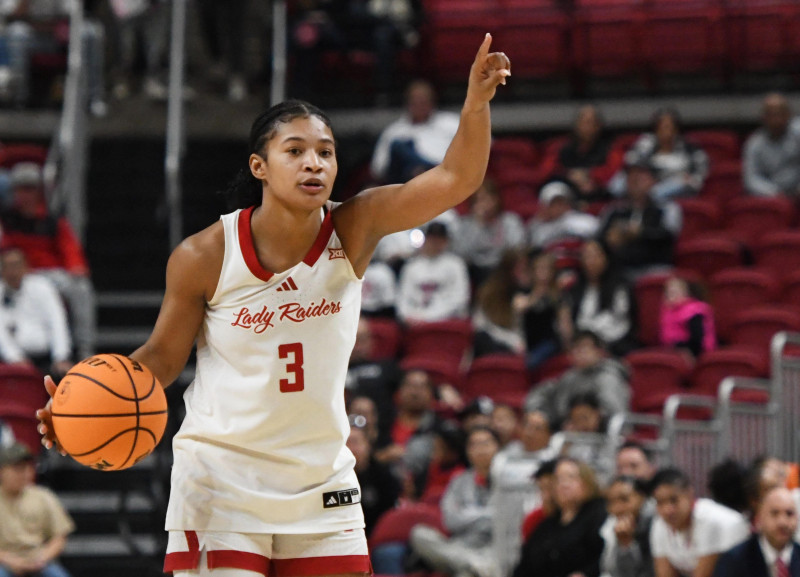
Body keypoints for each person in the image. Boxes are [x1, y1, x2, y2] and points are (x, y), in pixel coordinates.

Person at [37, 35, 511, 577]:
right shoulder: (205, 254)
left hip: (320, 479)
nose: (314, 164)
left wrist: (475, 106)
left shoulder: (355, 226)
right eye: (296, 151)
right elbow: (162, 360)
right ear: (259, 166)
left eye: (326, 152)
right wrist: (83, 409)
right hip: (221, 483)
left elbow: (456, 179)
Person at [0, 162, 96, 361]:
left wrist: (76, 267)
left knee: (81, 289)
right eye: (20, 189)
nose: (25, 195)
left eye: (30, 188)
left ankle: (84, 347)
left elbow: (70, 250)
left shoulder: (52, 221)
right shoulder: (7, 221)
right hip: (17, 274)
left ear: (39, 191)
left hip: (50, 274)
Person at [409, 425, 501, 577]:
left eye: (485, 443)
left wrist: (468, 513)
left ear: (498, 447)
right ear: (467, 451)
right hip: (460, 545)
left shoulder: (508, 481)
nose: (480, 449)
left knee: (464, 575)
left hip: (492, 547)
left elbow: (506, 519)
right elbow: (450, 521)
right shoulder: (458, 481)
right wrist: (487, 514)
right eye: (474, 445)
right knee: (419, 534)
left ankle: (471, 566)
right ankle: (474, 564)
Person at [512, 457, 608, 577]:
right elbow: (524, 566)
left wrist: (586, 573)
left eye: (571, 477)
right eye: (558, 480)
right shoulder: (546, 526)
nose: (564, 484)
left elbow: (606, 557)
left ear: (587, 481)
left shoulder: (601, 514)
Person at [650, 467, 750, 577]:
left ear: (689, 494)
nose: (667, 510)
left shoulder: (709, 519)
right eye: (660, 503)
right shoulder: (659, 524)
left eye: (674, 500)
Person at [524, 330, 630, 429]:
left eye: (584, 348)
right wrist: (539, 413)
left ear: (599, 352)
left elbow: (617, 418)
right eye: (575, 349)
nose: (579, 353)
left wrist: (584, 424)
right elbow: (544, 393)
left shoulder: (608, 378)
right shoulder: (569, 377)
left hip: (600, 438)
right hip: (568, 434)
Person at [0, 442, 74, 577]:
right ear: (2, 471)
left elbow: (60, 536)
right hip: (4, 561)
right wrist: (8, 559)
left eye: (27, 468)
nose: (24, 473)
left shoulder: (43, 496)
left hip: (38, 559)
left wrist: (43, 557)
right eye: (17, 468)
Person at [599, 157, 682, 275]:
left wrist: (640, 233)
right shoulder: (614, 210)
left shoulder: (666, 208)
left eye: (641, 175)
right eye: (631, 176)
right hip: (620, 269)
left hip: (655, 267)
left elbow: (669, 235)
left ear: (653, 181)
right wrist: (609, 238)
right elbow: (600, 238)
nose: (635, 180)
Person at [0, 247, 73, 378]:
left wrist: (61, 356)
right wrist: (15, 359)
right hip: (9, 360)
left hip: (45, 358)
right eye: (7, 266)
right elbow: (1, 333)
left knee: (64, 376)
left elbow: (57, 321)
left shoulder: (42, 287)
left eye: (16, 265)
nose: (12, 271)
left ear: (26, 266)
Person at [370, 79, 460, 183]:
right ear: (407, 103)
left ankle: (428, 170)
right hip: (404, 183)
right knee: (399, 146)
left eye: (423, 102)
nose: (420, 106)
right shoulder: (394, 132)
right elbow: (378, 169)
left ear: (432, 102)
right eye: (415, 102)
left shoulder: (451, 123)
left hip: (443, 178)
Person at [559, 239, 638, 356]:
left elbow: (618, 322)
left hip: (614, 344)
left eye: (595, 256)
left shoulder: (620, 286)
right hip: (582, 347)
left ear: (606, 258)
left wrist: (592, 341)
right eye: (586, 257)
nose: (590, 261)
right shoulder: (575, 290)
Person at [613, 108, 709, 202]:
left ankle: (649, 199)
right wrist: (646, 177)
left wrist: (689, 179)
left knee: (677, 184)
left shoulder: (690, 148)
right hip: (647, 180)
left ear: (676, 130)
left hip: (672, 185)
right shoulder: (647, 143)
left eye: (668, 127)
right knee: (617, 184)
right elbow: (631, 161)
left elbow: (699, 174)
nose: (665, 132)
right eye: (661, 127)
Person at [712, 486, 800, 577]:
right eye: (774, 513)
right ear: (759, 518)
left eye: (789, 514)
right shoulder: (733, 561)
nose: (783, 522)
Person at [453, 178, 526, 286]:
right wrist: (478, 224)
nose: (485, 205)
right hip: (475, 271)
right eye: (480, 200)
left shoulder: (509, 221)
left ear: (496, 199)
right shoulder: (466, 224)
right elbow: (462, 253)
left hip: (502, 269)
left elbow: (518, 247)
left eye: (488, 199)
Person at [396, 221, 471, 324]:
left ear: (446, 241)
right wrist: (407, 316)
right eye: (432, 238)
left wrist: (428, 318)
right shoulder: (412, 266)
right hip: (415, 321)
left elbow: (460, 299)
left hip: (446, 321)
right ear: (426, 239)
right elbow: (403, 298)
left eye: (440, 239)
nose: (435, 242)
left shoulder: (456, 264)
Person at [550, 104, 619, 205]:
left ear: (598, 126)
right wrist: (570, 176)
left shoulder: (610, 149)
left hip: (600, 198)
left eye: (590, 122)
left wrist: (590, 176)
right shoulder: (564, 149)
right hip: (568, 198)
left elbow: (614, 176)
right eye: (583, 122)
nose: (586, 126)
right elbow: (550, 172)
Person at [346, 414, 400, 537]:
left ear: (367, 445)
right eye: (346, 442)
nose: (350, 448)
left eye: (355, 442)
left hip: (375, 537)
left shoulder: (383, 476)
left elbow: (389, 513)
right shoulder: (331, 477)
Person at [514, 250, 565, 371]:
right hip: (528, 339)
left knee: (530, 363)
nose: (543, 272)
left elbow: (564, 324)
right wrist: (536, 296)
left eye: (546, 268)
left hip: (548, 341)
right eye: (540, 268)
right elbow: (518, 309)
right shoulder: (524, 292)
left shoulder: (557, 297)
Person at [472, 248, 528, 358]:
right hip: (497, 345)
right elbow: (480, 326)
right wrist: (513, 342)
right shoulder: (489, 292)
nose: (524, 273)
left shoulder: (532, 293)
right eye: (520, 269)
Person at [743, 93, 800, 197]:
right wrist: (775, 193)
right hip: (774, 194)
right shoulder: (755, 143)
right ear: (763, 117)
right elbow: (752, 179)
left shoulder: (798, 131)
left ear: (789, 114)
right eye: (771, 115)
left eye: (780, 114)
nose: (776, 120)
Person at [600, 475, 655, 577]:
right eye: (611, 502)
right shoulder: (611, 525)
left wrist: (627, 545)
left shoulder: (655, 525)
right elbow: (608, 569)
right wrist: (624, 545)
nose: (618, 508)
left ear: (641, 497)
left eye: (624, 499)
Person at [528, 180, 600, 249]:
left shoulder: (586, 221)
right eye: (554, 204)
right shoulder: (538, 229)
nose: (558, 207)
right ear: (545, 206)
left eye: (561, 202)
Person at [659, 274, 716, 357]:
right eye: (668, 292)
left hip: (694, 353)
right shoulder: (667, 311)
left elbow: (697, 340)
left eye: (674, 292)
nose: (671, 296)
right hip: (672, 352)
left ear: (685, 293)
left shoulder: (694, 311)